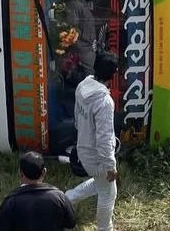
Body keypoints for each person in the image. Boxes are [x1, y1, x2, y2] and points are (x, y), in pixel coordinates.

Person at [65, 53, 119, 231]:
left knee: (100, 182)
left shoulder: (82, 86)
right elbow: (105, 138)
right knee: (108, 193)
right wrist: (110, 165)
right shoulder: (104, 102)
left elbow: (76, 116)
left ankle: (68, 198)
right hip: (97, 157)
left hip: (83, 149)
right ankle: (105, 228)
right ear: (113, 75)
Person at [0, 151, 76, 231]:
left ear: (20, 173)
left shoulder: (11, 202)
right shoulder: (59, 197)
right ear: (44, 172)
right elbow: (71, 223)